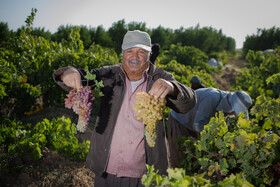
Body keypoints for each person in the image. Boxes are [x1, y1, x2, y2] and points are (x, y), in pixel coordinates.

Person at [53, 30, 196, 187]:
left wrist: (173, 87)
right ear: (122, 53)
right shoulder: (109, 74)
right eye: (130, 51)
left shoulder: (160, 78)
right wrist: (68, 72)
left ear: (149, 54)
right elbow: (83, 77)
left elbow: (188, 101)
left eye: (141, 52)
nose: (135, 57)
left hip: (145, 177)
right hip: (106, 174)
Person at [167, 87, 252, 168]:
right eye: (236, 111)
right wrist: (215, 142)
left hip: (194, 124)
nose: (234, 114)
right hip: (180, 119)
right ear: (233, 105)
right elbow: (198, 125)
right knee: (181, 157)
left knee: (194, 159)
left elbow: (226, 129)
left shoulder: (228, 107)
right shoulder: (212, 97)